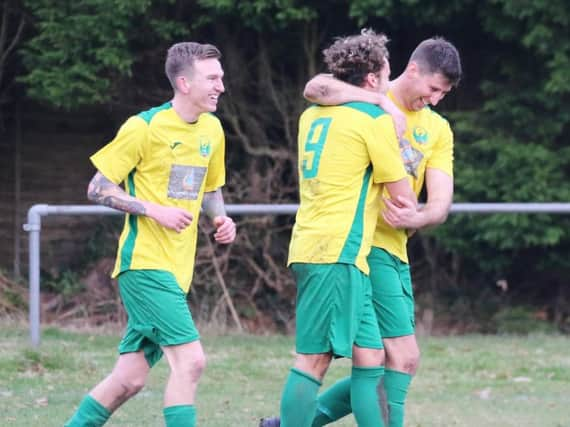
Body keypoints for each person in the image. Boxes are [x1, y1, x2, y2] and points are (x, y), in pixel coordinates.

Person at [261, 36, 462, 427]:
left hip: (379, 246)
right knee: (378, 357)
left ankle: (290, 423)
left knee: (379, 357)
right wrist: (382, 103)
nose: (435, 99)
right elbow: (314, 86)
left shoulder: (436, 128)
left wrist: (417, 219)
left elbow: (438, 202)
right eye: (433, 89)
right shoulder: (363, 104)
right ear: (412, 69)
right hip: (357, 245)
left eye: (444, 94)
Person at [64, 41, 236, 427]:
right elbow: (98, 188)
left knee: (129, 379)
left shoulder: (212, 128)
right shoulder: (143, 128)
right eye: (212, 78)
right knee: (190, 363)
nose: (221, 86)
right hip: (144, 266)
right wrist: (153, 209)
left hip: (178, 271)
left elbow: (210, 188)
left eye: (221, 78)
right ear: (183, 83)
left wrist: (220, 219)